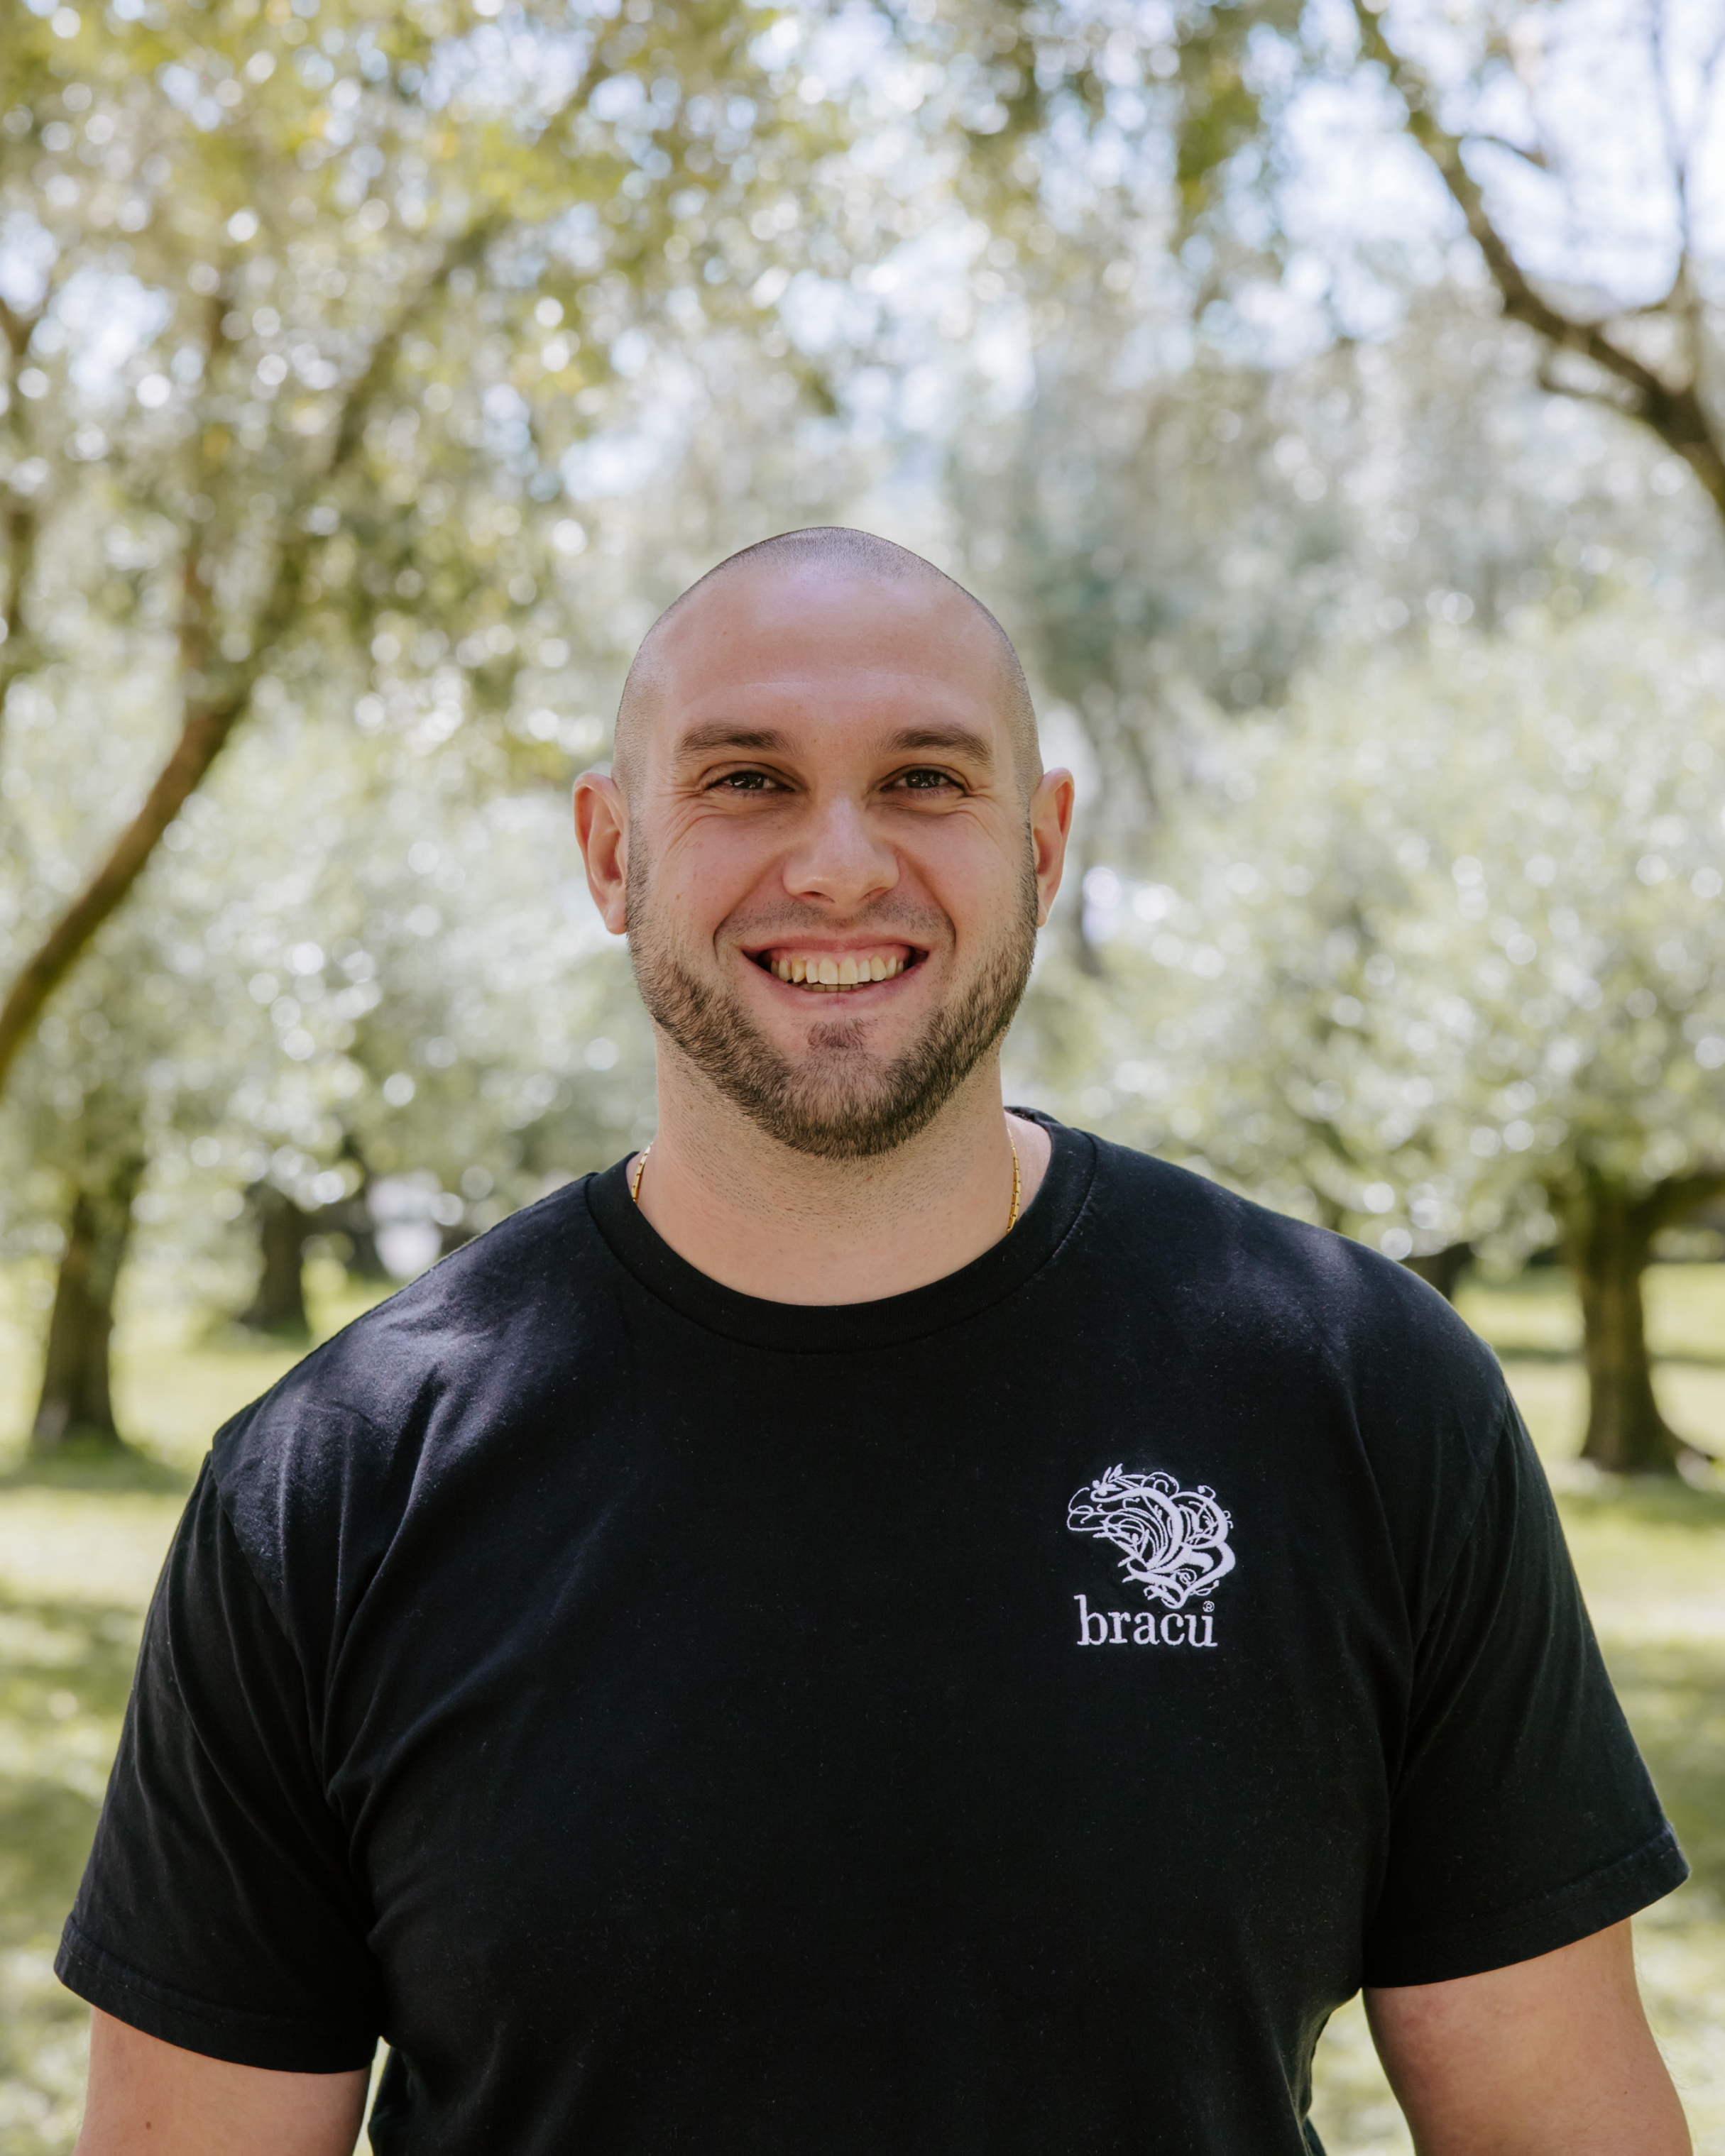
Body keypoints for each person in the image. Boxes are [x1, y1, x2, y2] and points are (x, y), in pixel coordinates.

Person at [61, 529, 1690, 2156]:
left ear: (1043, 842)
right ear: (608, 850)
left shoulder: (1363, 1396)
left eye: (924, 780)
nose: (840, 865)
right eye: (749, 781)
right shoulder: (334, 1483)